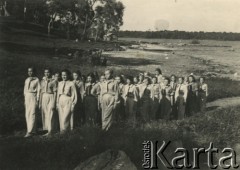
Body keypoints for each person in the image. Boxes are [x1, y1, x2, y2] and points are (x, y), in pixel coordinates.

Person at [39, 68, 57, 136]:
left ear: (51, 73)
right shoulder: (42, 81)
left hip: (51, 96)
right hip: (44, 97)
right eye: (45, 72)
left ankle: (51, 130)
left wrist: (54, 102)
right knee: (45, 113)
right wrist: (40, 102)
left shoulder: (54, 81)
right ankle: (47, 129)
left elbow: (55, 92)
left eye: (48, 72)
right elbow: (41, 92)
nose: (47, 74)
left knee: (51, 113)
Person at [23, 67, 40, 137]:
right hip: (27, 97)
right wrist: (25, 99)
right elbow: (25, 90)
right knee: (27, 114)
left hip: (33, 96)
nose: (30, 72)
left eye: (31, 71)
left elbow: (39, 90)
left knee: (33, 113)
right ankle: (33, 130)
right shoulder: (27, 80)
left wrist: (37, 100)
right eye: (29, 71)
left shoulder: (37, 80)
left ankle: (30, 132)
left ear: (34, 72)